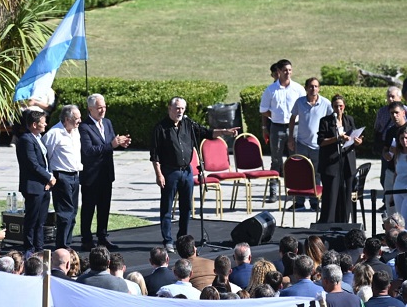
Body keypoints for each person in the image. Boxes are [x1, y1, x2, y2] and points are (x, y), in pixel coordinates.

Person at [151, 97, 239, 250]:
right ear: (170, 108)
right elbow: (155, 155)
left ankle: (182, 238)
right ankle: (168, 240)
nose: (180, 111)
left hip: (187, 171)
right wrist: (159, 174)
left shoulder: (189, 124)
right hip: (169, 171)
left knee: (186, 207)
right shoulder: (160, 128)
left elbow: (208, 133)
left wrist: (225, 132)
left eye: (182, 108)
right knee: (167, 208)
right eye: (177, 108)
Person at [79, 94, 131, 250]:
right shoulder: (84, 127)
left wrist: (121, 143)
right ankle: (86, 238)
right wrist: (111, 145)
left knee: (104, 207)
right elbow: (88, 150)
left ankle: (102, 237)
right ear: (90, 109)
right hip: (91, 175)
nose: (102, 110)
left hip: (106, 173)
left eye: (104, 107)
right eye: (99, 108)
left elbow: (110, 143)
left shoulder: (107, 123)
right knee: (88, 208)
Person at [259, 59, 306, 202]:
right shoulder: (270, 90)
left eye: (290, 70)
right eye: (285, 70)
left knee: (295, 159)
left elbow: (304, 107)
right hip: (277, 127)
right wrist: (274, 116)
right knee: (276, 160)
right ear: (279, 72)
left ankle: (295, 191)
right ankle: (273, 191)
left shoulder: (298, 89)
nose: (288, 73)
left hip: (295, 128)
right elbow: (263, 109)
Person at [288, 77, 333, 211]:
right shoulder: (300, 102)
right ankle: (299, 202)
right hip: (302, 143)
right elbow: (292, 119)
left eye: (316, 86)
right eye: (311, 86)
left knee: (317, 174)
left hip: (318, 146)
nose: (313, 89)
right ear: (306, 88)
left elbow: (332, 121)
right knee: (300, 172)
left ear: (319, 88)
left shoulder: (325, 103)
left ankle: (315, 202)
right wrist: (290, 138)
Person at [318, 94, 364, 224]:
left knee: (346, 193)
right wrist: (337, 138)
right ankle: (328, 222)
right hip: (331, 162)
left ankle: (343, 222)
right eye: (336, 106)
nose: (338, 109)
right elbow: (321, 141)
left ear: (344, 107)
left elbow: (353, 137)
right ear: (332, 107)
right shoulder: (326, 121)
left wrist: (358, 141)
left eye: (341, 106)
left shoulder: (349, 120)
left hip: (347, 161)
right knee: (331, 194)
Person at [42, 105, 82, 250]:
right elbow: (45, 156)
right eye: (76, 118)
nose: (79, 121)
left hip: (75, 175)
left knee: (73, 212)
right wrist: (49, 176)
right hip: (61, 176)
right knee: (65, 213)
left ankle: (67, 243)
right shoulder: (54, 133)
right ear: (67, 119)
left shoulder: (76, 132)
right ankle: (62, 246)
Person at [16, 109, 55, 256]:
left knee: (41, 220)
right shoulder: (26, 139)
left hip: (44, 185)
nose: (45, 125)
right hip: (33, 186)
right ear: (34, 124)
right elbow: (32, 164)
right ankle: (29, 248)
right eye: (43, 122)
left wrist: (50, 178)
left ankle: (39, 247)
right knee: (32, 219)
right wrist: (48, 177)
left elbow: (46, 161)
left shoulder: (39, 138)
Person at [374, 87, 403, 213]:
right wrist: (386, 153)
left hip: (403, 170)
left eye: (397, 113)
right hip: (391, 168)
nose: (394, 116)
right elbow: (385, 148)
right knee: (390, 205)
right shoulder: (390, 130)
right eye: (392, 113)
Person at [388, 125, 407, 222]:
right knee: (400, 220)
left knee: (405, 217)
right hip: (398, 188)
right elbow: (396, 172)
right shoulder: (398, 153)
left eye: (406, 138)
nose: (404, 141)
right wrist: (392, 192)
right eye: (402, 138)